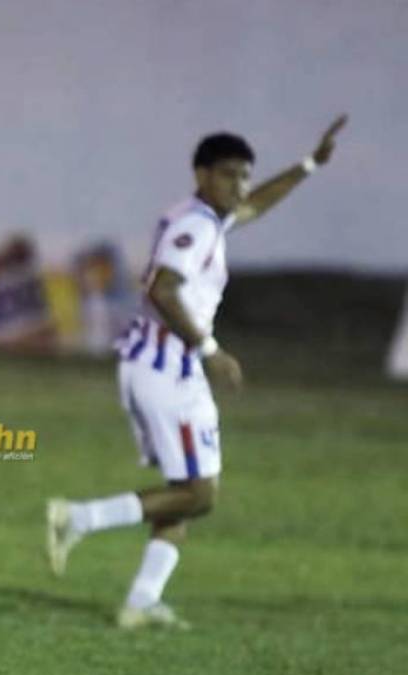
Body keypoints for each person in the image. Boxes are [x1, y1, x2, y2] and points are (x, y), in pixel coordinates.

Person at [46, 115, 347, 629]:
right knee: (200, 494)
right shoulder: (194, 226)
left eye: (244, 174)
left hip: (166, 368)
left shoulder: (204, 215)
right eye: (229, 174)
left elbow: (256, 204)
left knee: (184, 490)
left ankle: (140, 603)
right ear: (202, 175)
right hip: (167, 369)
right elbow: (162, 289)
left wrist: (309, 165)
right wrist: (209, 349)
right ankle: (77, 518)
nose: (240, 185)